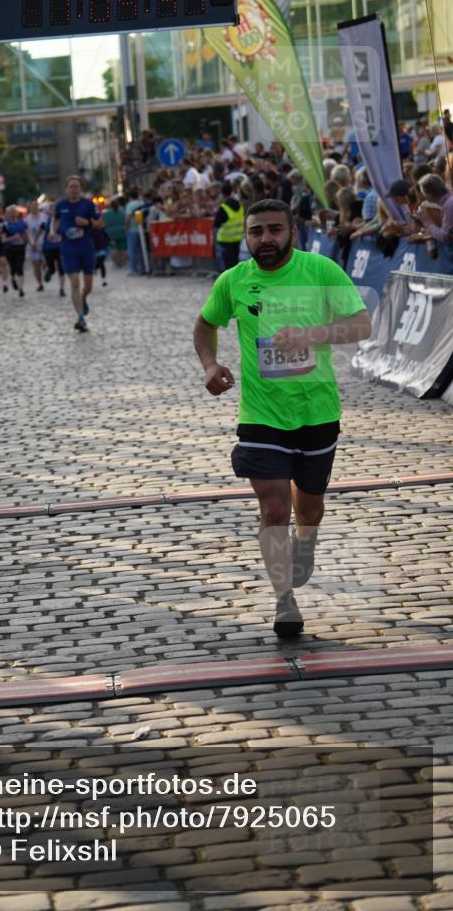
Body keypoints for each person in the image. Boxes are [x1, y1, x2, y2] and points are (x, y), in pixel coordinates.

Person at [193, 199, 372, 639]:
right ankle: (284, 600)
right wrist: (210, 366)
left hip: (317, 410)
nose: (265, 239)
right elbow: (205, 325)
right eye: (256, 231)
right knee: (274, 509)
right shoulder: (234, 281)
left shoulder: (321, 271)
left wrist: (312, 334)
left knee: (307, 506)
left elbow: (362, 325)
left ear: (292, 231)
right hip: (260, 413)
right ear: (246, 236)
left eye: (274, 229)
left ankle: (305, 542)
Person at [52, 175, 100, 332]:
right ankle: (80, 318)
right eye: (71, 186)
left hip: (85, 247)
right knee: (74, 283)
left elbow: (100, 223)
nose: (73, 189)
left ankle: (83, 298)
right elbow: (55, 220)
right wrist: (56, 232)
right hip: (68, 248)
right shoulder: (61, 205)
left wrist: (88, 223)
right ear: (67, 189)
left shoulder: (88, 204)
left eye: (76, 186)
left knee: (88, 286)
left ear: (81, 189)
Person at [214, 181, 244, 271]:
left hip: (225, 240)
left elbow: (216, 224)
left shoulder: (223, 207)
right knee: (235, 263)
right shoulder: (240, 204)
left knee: (228, 266)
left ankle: (230, 283)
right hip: (237, 239)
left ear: (222, 193)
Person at [3, 205, 28, 297]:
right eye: (10, 212)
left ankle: (21, 289)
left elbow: (26, 234)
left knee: (20, 267)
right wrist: (13, 238)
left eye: (14, 212)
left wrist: (29, 242)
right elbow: (3, 240)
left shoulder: (22, 223)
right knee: (13, 268)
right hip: (10, 249)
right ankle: (13, 279)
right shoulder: (5, 225)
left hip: (20, 247)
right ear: (8, 214)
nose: (13, 214)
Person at [43, 201, 66, 297]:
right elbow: (39, 233)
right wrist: (34, 242)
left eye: (55, 209)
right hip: (48, 247)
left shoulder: (63, 221)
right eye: (51, 209)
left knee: (61, 268)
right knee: (52, 268)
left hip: (60, 247)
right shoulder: (45, 221)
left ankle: (61, 288)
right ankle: (50, 271)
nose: (53, 211)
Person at [25, 200, 47, 292]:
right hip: (33, 244)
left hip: (44, 243)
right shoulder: (26, 219)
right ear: (29, 207)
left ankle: (46, 271)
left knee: (45, 263)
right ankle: (40, 283)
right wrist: (31, 243)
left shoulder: (44, 217)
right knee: (36, 265)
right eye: (32, 206)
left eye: (35, 205)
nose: (34, 207)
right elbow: (26, 233)